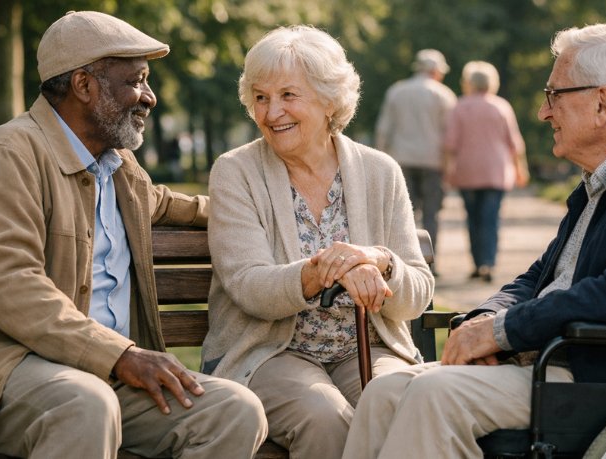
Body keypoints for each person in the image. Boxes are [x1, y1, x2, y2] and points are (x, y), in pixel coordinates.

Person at [341, 23, 606, 459]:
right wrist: (483, 321)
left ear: (602, 103)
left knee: (433, 395)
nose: (543, 112)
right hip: (568, 361)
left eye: (554, 95)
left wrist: (504, 331)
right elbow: (543, 277)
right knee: (384, 392)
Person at [0, 11, 266, 459]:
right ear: (84, 85)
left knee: (235, 410)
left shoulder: (118, 167)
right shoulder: (8, 153)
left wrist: (263, 214)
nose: (149, 97)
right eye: (136, 80)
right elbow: (7, 281)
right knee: (85, 404)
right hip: (17, 369)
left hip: (112, 374)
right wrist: (118, 354)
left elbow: (171, 206)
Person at [200, 25, 435, 459]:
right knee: (324, 415)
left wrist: (379, 262)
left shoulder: (381, 172)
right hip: (269, 353)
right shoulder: (235, 172)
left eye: (288, 95)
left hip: (366, 346)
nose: (272, 113)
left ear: (330, 100)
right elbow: (250, 286)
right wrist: (325, 270)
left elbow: (415, 295)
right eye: (261, 97)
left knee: (403, 402)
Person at [444, 61, 528, 282]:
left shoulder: (459, 106)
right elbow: (515, 143)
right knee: (491, 219)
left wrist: (447, 171)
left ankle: (477, 263)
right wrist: (521, 169)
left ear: (468, 83)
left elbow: (450, 144)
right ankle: (488, 263)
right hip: (496, 172)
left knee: (472, 219)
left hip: (467, 171)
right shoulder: (501, 106)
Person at [375, 49, 457, 255]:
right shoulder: (444, 95)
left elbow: (383, 130)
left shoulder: (396, 91)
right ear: (436, 71)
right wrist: (450, 166)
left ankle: (404, 257)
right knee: (432, 214)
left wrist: (377, 163)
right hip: (433, 162)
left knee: (403, 215)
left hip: (401, 161)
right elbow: (450, 135)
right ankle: (429, 259)